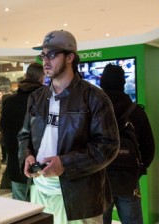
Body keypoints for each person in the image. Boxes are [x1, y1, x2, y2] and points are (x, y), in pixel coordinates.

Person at [17, 30, 120, 223]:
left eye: (52, 55)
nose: (45, 61)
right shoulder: (36, 98)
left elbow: (108, 146)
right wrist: (27, 156)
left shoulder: (94, 97)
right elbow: (24, 135)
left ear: (70, 57)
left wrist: (65, 163)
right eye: (43, 55)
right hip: (39, 189)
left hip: (79, 196)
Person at [100, 64, 155, 224]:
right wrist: (138, 170)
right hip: (129, 179)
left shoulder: (94, 110)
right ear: (123, 84)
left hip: (100, 179)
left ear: (102, 82)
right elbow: (148, 147)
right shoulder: (136, 112)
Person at [0, 63, 45, 201]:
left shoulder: (8, 102)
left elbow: (4, 132)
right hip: (40, 165)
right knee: (43, 210)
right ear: (41, 78)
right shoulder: (44, 101)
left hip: (15, 163)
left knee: (20, 209)